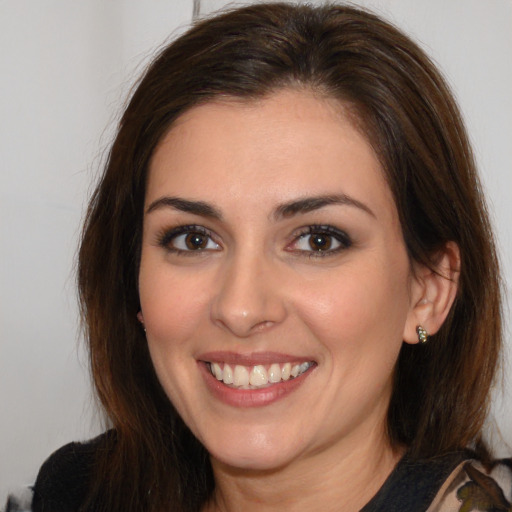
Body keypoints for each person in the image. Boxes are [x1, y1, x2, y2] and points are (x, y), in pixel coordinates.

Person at [29, 3, 511, 512]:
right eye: (194, 239)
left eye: (318, 241)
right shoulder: (80, 493)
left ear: (428, 292)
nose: (240, 308)